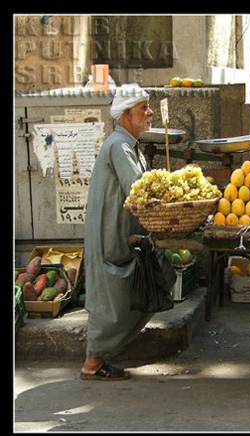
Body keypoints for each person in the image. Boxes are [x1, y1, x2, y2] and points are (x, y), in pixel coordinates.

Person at [80, 84, 154, 380]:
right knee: (111, 302)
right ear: (126, 115)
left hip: (121, 234)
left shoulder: (128, 143)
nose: (149, 114)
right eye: (143, 109)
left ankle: (97, 359)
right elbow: (138, 189)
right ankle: (92, 363)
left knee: (132, 295)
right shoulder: (119, 146)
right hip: (110, 236)